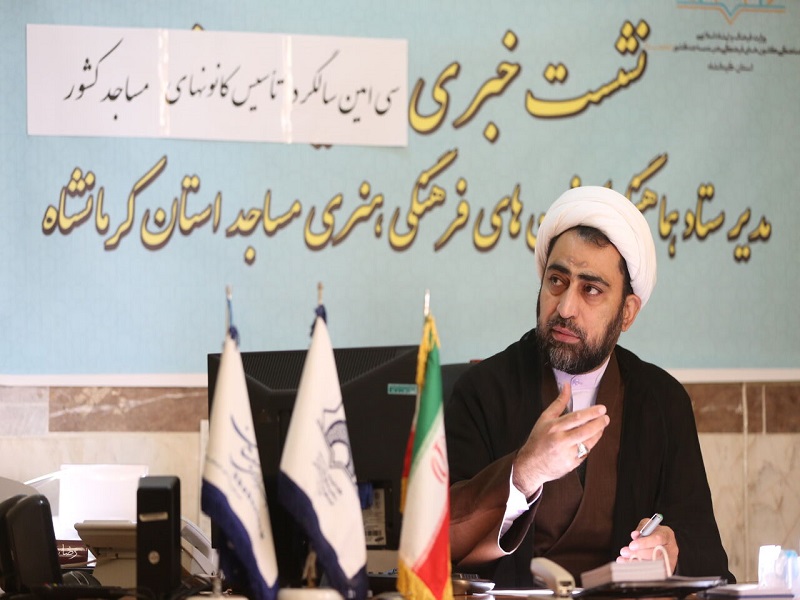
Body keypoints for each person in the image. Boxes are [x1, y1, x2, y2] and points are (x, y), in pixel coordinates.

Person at [444, 185, 734, 587]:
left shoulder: (663, 401)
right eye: (556, 281)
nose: (565, 308)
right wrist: (525, 471)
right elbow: (439, 541)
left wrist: (672, 547)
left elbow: (706, 549)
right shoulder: (483, 391)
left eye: (591, 289)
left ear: (627, 312)